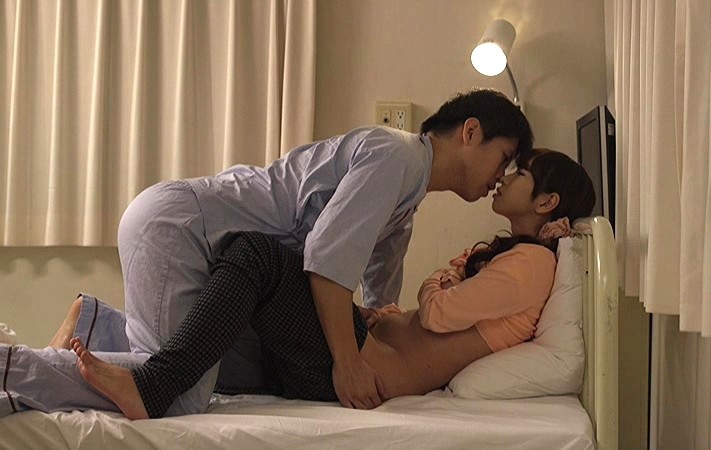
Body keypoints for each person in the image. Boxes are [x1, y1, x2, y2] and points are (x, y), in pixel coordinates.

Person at [52, 88, 533, 415]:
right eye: (504, 159)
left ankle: (95, 322)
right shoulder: (396, 156)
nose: (501, 177)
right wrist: (348, 362)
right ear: (470, 132)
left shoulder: (405, 204)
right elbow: (327, 262)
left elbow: (375, 299)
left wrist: (376, 332)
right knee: (179, 398)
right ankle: (27, 370)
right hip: (187, 228)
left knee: (229, 371)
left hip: (205, 245)